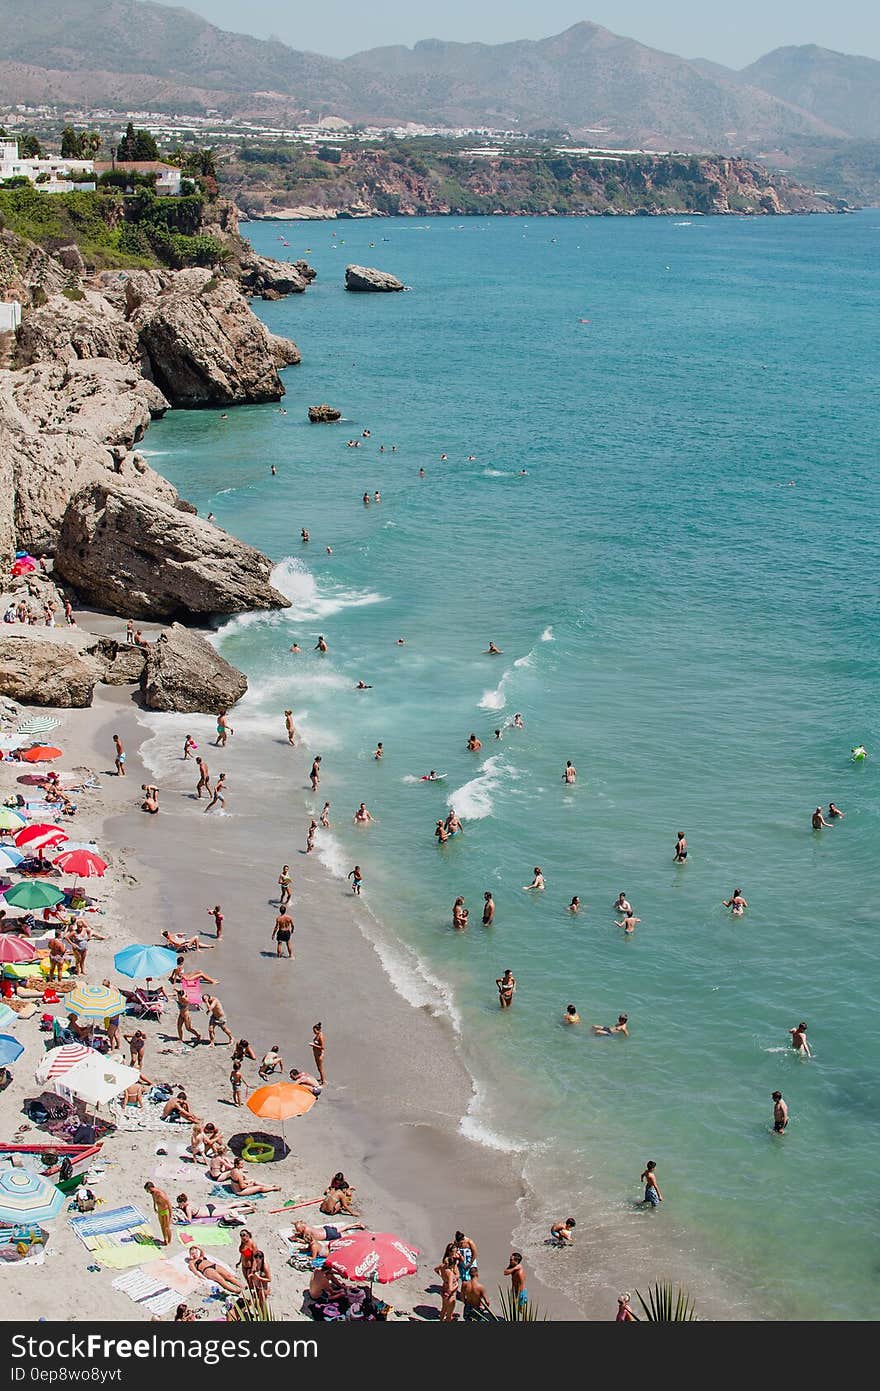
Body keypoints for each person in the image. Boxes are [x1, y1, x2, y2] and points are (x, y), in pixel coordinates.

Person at [144, 1181, 173, 1246]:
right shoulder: (152, 1193)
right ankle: (165, 1240)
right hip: (160, 1211)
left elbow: (169, 1205)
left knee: (167, 1227)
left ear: (150, 1188)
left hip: (166, 1211)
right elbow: (154, 1199)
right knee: (162, 1226)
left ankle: (169, 1240)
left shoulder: (161, 1194)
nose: (147, 1192)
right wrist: (154, 1206)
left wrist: (171, 1216)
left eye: (147, 1190)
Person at [435, 1253, 461, 1321]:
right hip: (450, 1295)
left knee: (443, 1309)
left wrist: (442, 1276)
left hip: (443, 1289)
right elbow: (450, 1289)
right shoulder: (450, 1274)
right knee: (449, 1314)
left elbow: (435, 1269)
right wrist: (456, 1286)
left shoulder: (442, 1266)